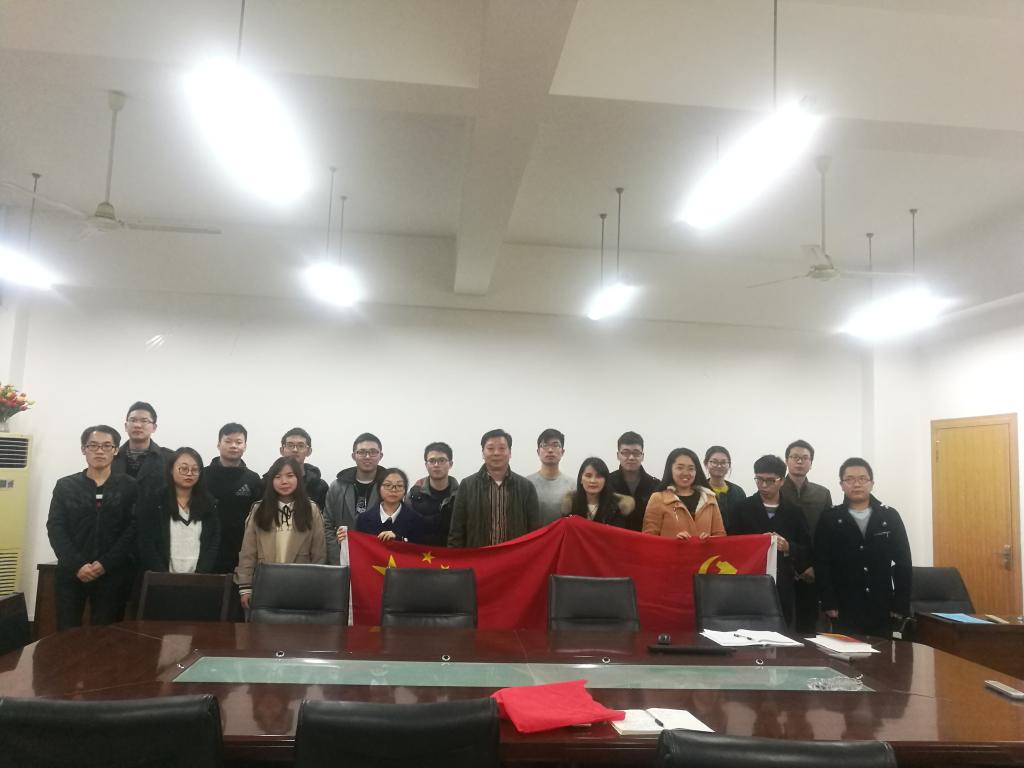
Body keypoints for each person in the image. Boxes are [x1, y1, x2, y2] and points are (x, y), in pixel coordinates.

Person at [46, 425, 138, 629]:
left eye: (106, 446)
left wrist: (105, 563)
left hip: (112, 573)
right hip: (71, 572)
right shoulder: (65, 486)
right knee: (67, 633)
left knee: (106, 635)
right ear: (83, 449)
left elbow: (132, 530)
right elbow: (56, 527)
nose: (99, 451)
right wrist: (78, 564)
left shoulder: (129, 486)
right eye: (93, 445)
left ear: (116, 450)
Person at [815, 458, 912, 637]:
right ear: (841, 485)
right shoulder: (830, 518)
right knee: (845, 652)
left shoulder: (889, 516)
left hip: (881, 603)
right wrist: (828, 602)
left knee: (881, 653)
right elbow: (822, 563)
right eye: (850, 479)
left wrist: (900, 604)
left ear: (872, 483)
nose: (857, 484)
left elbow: (903, 563)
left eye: (862, 479)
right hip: (844, 604)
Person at [729, 455, 812, 628]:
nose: (764, 485)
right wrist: (756, 543)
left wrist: (787, 546)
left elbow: (806, 549)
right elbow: (731, 546)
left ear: (782, 481)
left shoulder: (794, 511)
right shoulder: (742, 508)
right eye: (759, 480)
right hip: (748, 584)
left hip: (782, 586)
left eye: (770, 481)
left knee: (780, 632)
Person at [235, 456, 327, 610]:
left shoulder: (311, 510)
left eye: (290, 476)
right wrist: (245, 587)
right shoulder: (259, 509)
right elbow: (248, 552)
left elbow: (319, 553)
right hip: (264, 583)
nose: (284, 481)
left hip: (301, 585)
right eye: (278, 477)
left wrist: (315, 585)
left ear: (299, 479)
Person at [448, 428, 541, 547]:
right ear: (483, 453)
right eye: (490, 448)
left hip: (515, 555)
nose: (496, 453)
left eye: (502, 448)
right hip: (478, 555)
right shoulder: (467, 486)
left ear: (510, 453)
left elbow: (534, 531)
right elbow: (456, 531)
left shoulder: (526, 487)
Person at [136, 447, 221, 574]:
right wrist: (162, 575)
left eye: (195, 469)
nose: (189, 473)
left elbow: (213, 542)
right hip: (160, 577)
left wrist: (201, 573)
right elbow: (146, 542)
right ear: (171, 469)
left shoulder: (209, 504)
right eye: (183, 468)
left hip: (199, 578)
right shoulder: (156, 501)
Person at [780, 439, 834, 634]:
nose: (799, 461)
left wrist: (815, 566)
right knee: (782, 624)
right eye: (794, 457)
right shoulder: (775, 490)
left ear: (811, 463)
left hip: (812, 569)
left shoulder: (822, 494)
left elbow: (826, 535)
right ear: (786, 461)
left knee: (809, 626)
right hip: (782, 567)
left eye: (805, 458)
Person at [205, 423, 264, 574]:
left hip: (241, 550)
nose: (233, 446)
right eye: (228, 441)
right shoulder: (203, 475)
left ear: (245, 446)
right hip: (206, 547)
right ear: (218, 444)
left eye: (238, 442)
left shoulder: (253, 479)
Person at [324, 432, 388, 564]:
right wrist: (337, 558)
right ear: (354, 456)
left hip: (377, 559)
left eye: (373, 452)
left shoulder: (389, 486)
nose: (367, 456)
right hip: (342, 557)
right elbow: (327, 525)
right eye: (362, 452)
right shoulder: (337, 486)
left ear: (380, 456)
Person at [642, 447, 725, 540]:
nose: (685, 473)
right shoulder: (658, 498)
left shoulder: (710, 499)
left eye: (691, 469)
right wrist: (675, 541)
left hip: (704, 550)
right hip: (670, 550)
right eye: (680, 468)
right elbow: (648, 539)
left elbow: (720, 536)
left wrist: (710, 539)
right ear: (670, 469)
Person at [110, 401, 172, 494]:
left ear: (154, 427)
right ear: (126, 426)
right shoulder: (110, 457)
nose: (137, 425)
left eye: (144, 421)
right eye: (133, 420)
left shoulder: (169, 458)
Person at [406, 442, 459, 546]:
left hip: (452, 553)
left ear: (451, 464)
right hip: (420, 553)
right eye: (432, 461)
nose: (436, 465)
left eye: (442, 460)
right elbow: (407, 526)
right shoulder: (413, 495)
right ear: (426, 465)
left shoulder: (461, 495)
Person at [350, 468, 425, 543]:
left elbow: (418, 548)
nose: (393, 490)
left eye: (399, 485)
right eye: (388, 485)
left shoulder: (417, 520)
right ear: (379, 488)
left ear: (405, 489)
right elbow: (359, 546)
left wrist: (399, 539)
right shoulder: (363, 519)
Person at [559, 457, 634, 527]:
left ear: (605, 481)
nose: (593, 481)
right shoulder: (571, 505)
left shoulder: (617, 507)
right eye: (588, 476)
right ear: (581, 479)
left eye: (598, 476)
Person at [607, 431, 660, 531]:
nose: (631, 457)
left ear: (642, 456)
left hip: (644, 539)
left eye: (636, 453)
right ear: (618, 455)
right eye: (626, 453)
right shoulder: (607, 483)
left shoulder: (655, 486)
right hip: (614, 538)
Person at [527, 428, 575, 526]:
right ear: (538, 452)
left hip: (562, 535)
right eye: (545, 445)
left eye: (555, 445)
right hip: (535, 535)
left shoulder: (573, 486)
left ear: (563, 452)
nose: (550, 450)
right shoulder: (527, 484)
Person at [277, 427, 329, 509]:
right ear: (282, 450)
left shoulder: (320, 486)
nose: (295, 450)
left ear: (309, 451)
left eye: (300, 446)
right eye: (290, 445)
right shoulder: (267, 483)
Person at [704, 445, 746, 533]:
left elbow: (743, 521)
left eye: (723, 462)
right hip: (706, 539)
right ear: (706, 464)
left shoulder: (738, 492)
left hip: (734, 540)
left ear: (729, 465)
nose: (719, 466)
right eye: (714, 462)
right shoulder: (699, 491)